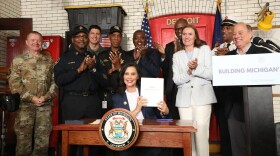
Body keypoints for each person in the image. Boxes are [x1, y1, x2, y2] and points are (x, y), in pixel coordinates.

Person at [222, 22, 271, 156]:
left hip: (259, 110)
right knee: (238, 148)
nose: (236, 36)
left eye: (240, 33)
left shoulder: (264, 53)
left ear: (250, 35)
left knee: (260, 147)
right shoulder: (227, 58)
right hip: (234, 109)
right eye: (234, 33)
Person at [8, 31, 57, 156]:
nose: (36, 43)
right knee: (23, 141)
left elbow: (54, 82)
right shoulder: (18, 61)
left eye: (38, 40)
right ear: (27, 43)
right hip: (25, 107)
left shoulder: (49, 61)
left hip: (44, 106)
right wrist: (31, 98)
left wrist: (46, 96)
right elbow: (15, 84)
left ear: (42, 43)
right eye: (33, 40)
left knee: (42, 141)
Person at [172, 25, 217, 156]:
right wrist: (189, 71)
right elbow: (176, 79)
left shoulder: (204, 50)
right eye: (184, 34)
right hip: (184, 100)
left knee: (201, 132)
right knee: (188, 134)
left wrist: (196, 68)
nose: (187, 36)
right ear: (181, 37)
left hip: (202, 98)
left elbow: (211, 74)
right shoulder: (177, 56)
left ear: (196, 36)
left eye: (190, 34)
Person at [112, 62, 169, 156]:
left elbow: (160, 117)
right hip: (128, 139)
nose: (129, 77)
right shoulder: (117, 97)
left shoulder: (148, 92)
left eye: (133, 74)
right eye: (126, 74)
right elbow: (120, 122)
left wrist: (165, 111)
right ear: (122, 76)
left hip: (150, 136)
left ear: (138, 76)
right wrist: (137, 109)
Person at [154, 18, 189, 120]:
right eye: (176, 29)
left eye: (181, 29)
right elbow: (166, 69)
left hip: (188, 90)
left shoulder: (193, 45)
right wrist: (164, 55)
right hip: (173, 91)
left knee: (187, 120)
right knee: (174, 120)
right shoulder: (169, 46)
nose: (179, 31)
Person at [212, 17, 237, 156]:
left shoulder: (238, 47)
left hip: (235, 95)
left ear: (234, 31)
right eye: (223, 28)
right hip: (220, 95)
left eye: (228, 28)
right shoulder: (218, 48)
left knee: (235, 128)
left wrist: (228, 57)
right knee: (223, 127)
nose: (224, 31)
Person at [96, 25, 133, 114]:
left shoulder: (127, 57)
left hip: (122, 95)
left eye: (118, 36)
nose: (116, 38)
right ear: (109, 37)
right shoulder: (102, 56)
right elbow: (98, 76)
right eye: (113, 35)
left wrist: (120, 68)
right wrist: (110, 71)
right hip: (106, 96)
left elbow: (132, 76)